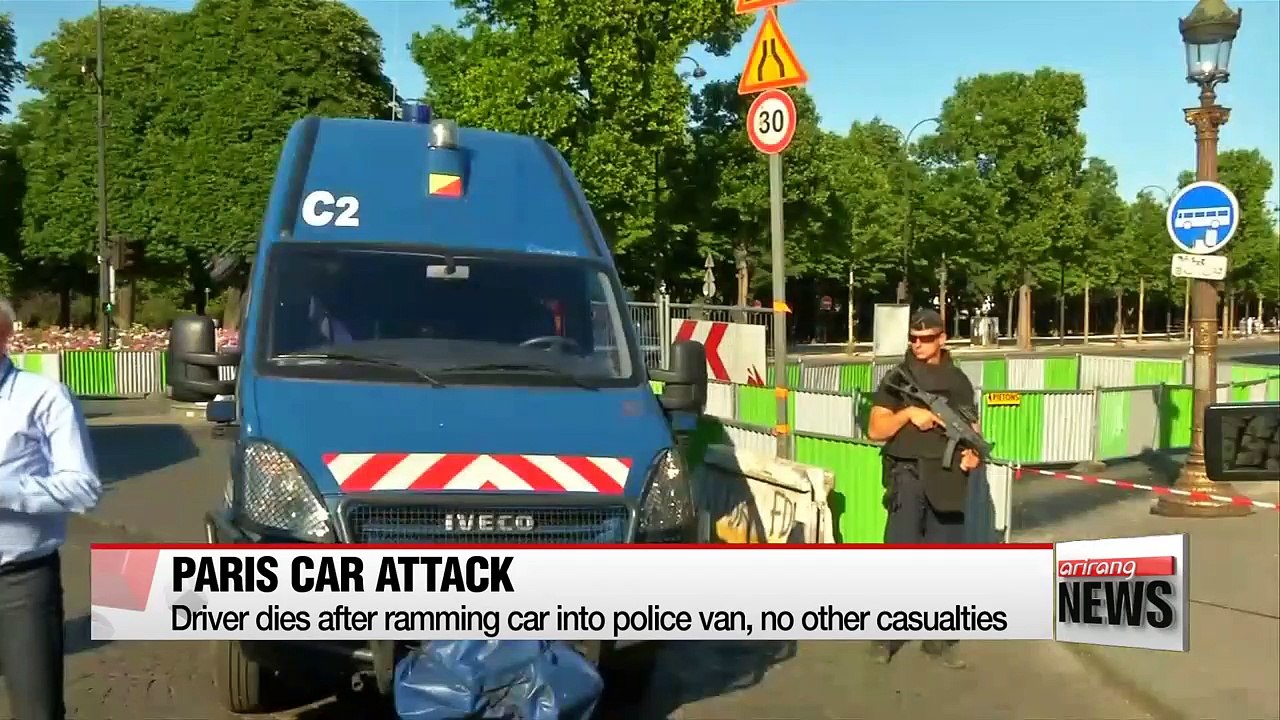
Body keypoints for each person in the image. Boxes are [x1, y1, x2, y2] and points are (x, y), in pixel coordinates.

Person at [0, 295, 103, 720]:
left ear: (3, 338)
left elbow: (83, 487)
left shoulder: (44, 397)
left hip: (19, 583)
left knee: (36, 710)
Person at [865, 308, 981, 670]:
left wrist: (972, 455)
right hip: (908, 476)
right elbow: (875, 429)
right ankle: (886, 637)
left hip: (947, 479)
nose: (917, 344)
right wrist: (907, 416)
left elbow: (972, 430)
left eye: (925, 338)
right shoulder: (898, 377)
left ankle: (937, 639)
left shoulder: (958, 381)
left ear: (942, 339)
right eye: (913, 338)